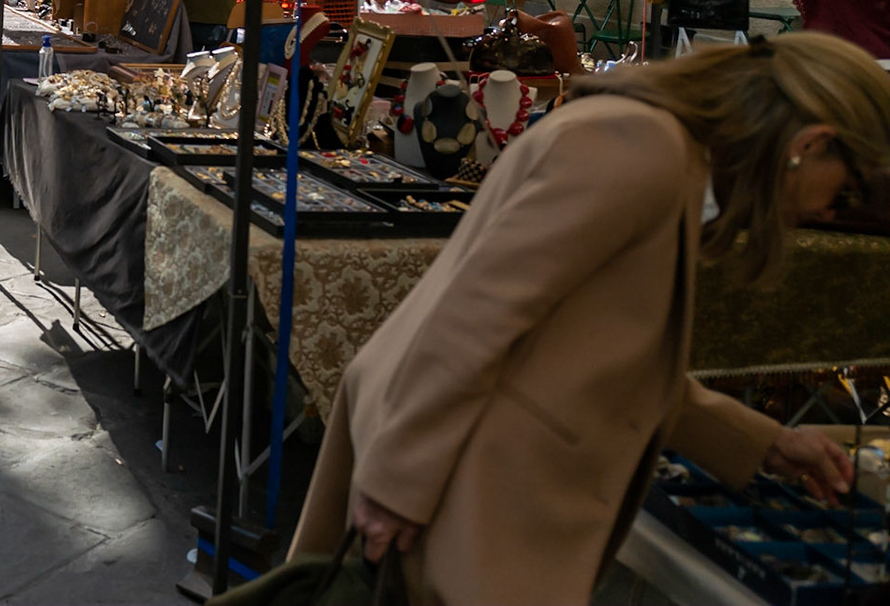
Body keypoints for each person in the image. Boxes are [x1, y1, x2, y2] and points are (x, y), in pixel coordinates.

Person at [292, 32, 889, 603]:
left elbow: (607, 360)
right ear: (808, 144)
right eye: (843, 193)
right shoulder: (640, 149)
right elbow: (473, 317)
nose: (825, 211)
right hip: (464, 483)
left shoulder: (666, 158)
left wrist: (765, 442)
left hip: (478, 477)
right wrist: (397, 485)